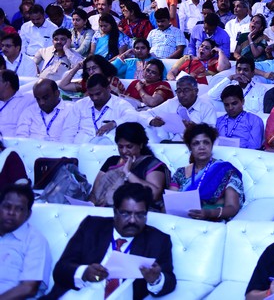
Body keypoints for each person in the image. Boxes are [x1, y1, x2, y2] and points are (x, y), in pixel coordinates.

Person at [45, 183, 176, 300]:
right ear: (115, 212)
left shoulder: (158, 240)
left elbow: (169, 281)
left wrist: (156, 279)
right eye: (125, 213)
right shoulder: (91, 227)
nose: (132, 220)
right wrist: (84, 272)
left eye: (140, 215)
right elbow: (61, 270)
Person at [89, 123, 169, 210]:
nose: (124, 151)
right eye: (120, 147)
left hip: (135, 213)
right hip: (102, 211)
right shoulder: (112, 161)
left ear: (141, 145)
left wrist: (127, 172)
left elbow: (154, 195)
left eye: (129, 146)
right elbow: (94, 194)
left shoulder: (151, 164)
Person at [0, 184, 51, 298]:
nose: (11, 212)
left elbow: (29, 288)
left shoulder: (35, 240)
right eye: (7, 206)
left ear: (28, 214)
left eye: (19, 209)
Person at [147, 75, 216, 141]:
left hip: (194, 144)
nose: (181, 95)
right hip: (169, 144)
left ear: (196, 91)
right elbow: (146, 114)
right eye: (179, 91)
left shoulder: (207, 107)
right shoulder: (172, 102)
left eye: (186, 90)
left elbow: (211, 133)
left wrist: (195, 129)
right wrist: (151, 120)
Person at [215, 84, 265, 149]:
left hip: (244, 154)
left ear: (242, 101)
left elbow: (254, 147)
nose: (230, 108)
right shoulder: (218, 121)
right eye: (226, 105)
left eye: (234, 103)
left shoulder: (254, 120)